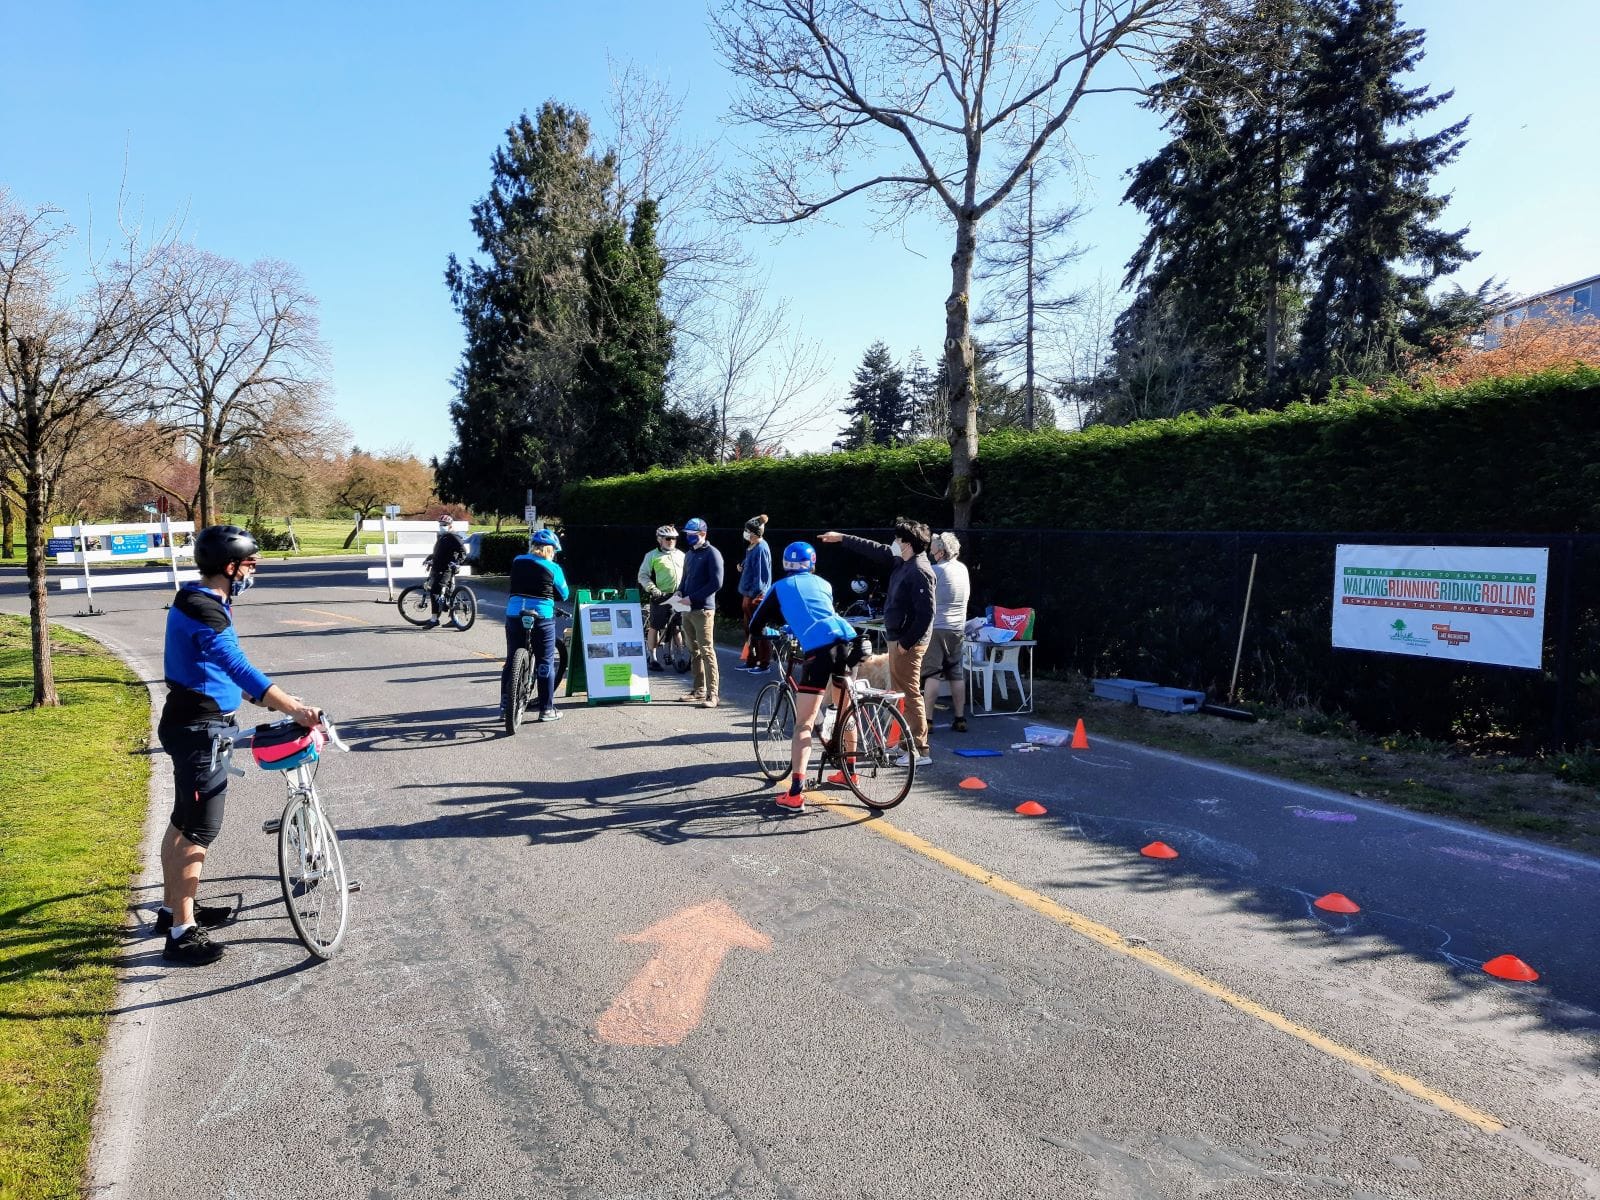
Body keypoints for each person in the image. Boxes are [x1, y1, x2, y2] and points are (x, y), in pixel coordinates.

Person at [156, 525, 322, 965]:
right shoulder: (207, 610)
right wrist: (292, 708)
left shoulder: (198, 599)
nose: (253, 572)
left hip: (194, 724)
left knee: (182, 821)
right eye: (249, 565)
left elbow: (213, 668)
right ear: (229, 567)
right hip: (200, 731)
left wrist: (261, 701)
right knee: (197, 830)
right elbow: (236, 664)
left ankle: (174, 908)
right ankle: (181, 933)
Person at [746, 541, 862, 812]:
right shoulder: (824, 584)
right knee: (845, 711)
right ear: (813, 563)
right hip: (846, 643)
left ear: (786, 564)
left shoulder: (779, 587)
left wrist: (770, 632)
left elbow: (756, 625)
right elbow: (816, 610)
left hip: (818, 651)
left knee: (804, 724)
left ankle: (796, 792)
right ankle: (850, 772)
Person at [819, 518, 935, 767]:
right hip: (898, 638)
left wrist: (906, 642)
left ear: (907, 543)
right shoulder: (904, 561)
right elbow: (877, 550)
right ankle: (907, 745)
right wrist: (843, 538)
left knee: (910, 692)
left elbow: (926, 614)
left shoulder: (920, 570)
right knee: (902, 691)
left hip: (908, 643)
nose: (893, 543)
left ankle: (918, 750)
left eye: (897, 539)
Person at [504, 528, 570, 722]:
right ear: (551, 550)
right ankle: (546, 709)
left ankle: (504, 705)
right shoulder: (554, 568)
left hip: (515, 613)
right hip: (541, 615)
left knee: (511, 658)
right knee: (545, 661)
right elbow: (564, 594)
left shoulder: (517, 560)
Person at [672, 516, 723, 708]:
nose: (689, 538)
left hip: (703, 610)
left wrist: (692, 598)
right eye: (688, 535)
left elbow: (716, 583)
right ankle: (698, 690)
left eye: (693, 535)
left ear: (703, 533)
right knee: (694, 651)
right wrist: (679, 592)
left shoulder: (712, 553)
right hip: (687, 609)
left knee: (707, 651)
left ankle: (713, 694)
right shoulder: (690, 554)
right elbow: (685, 579)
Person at [923, 530, 971, 732]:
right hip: (958, 628)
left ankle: (928, 720)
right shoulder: (962, 569)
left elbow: (926, 598)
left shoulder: (936, 570)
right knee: (956, 674)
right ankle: (960, 718)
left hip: (937, 627)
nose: (930, 549)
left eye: (934, 546)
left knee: (932, 674)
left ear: (941, 552)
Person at [637, 524, 684, 671]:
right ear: (660, 539)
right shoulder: (652, 556)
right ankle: (653, 657)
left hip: (678, 595)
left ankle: (681, 656)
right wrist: (653, 589)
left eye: (674, 538)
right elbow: (643, 575)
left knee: (677, 627)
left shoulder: (681, 555)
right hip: (661, 596)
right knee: (655, 626)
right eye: (668, 538)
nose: (671, 541)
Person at [735, 514, 774, 675]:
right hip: (748, 595)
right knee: (749, 631)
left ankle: (764, 663)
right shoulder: (752, 547)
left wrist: (755, 595)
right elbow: (749, 563)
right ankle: (751, 660)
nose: (745, 533)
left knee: (759, 630)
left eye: (747, 530)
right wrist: (742, 565)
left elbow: (762, 576)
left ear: (754, 533)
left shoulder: (761, 548)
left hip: (755, 596)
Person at [423, 514, 469, 627]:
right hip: (438, 567)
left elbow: (463, 551)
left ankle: (434, 620)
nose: (442, 526)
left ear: (450, 525)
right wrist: (430, 558)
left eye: (444, 524)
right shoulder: (442, 536)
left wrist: (457, 562)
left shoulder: (453, 537)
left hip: (446, 569)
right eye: (440, 524)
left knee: (435, 591)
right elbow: (439, 552)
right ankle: (454, 619)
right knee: (448, 593)